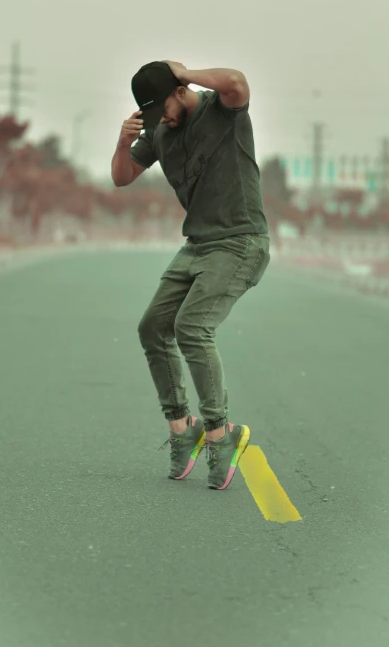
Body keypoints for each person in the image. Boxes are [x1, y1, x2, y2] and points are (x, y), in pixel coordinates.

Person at [111, 60, 270, 490]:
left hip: (240, 241)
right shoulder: (161, 132)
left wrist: (188, 71)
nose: (157, 119)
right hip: (197, 245)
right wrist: (122, 143)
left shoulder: (221, 110)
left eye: (160, 106)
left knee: (192, 327)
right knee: (152, 328)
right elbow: (122, 177)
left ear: (180, 90)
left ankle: (222, 435)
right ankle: (183, 427)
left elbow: (238, 81)